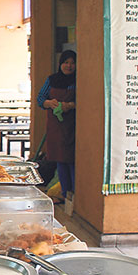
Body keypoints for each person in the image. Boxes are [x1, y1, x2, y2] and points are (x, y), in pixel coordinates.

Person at [37, 50, 77, 202]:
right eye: (66, 62)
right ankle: (64, 193)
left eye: (72, 63)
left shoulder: (77, 81)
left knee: (70, 159)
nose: (69, 66)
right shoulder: (52, 80)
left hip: (71, 127)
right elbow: (41, 98)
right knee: (59, 159)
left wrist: (71, 105)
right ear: (60, 64)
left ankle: (72, 194)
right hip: (55, 127)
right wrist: (48, 103)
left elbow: (83, 100)